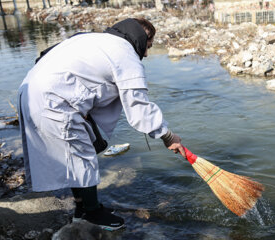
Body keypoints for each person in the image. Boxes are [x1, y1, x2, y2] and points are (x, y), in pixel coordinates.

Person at [18, 18, 186, 231]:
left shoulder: (92, 39)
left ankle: (83, 208)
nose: (146, 54)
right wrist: (168, 136)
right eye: (148, 46)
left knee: (74, 156)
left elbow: (44, 57)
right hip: (54, 101)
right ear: (140, 39)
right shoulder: (125, 54)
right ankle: (92, 214)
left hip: (31, 91)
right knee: (82, 158)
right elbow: (139, 107)